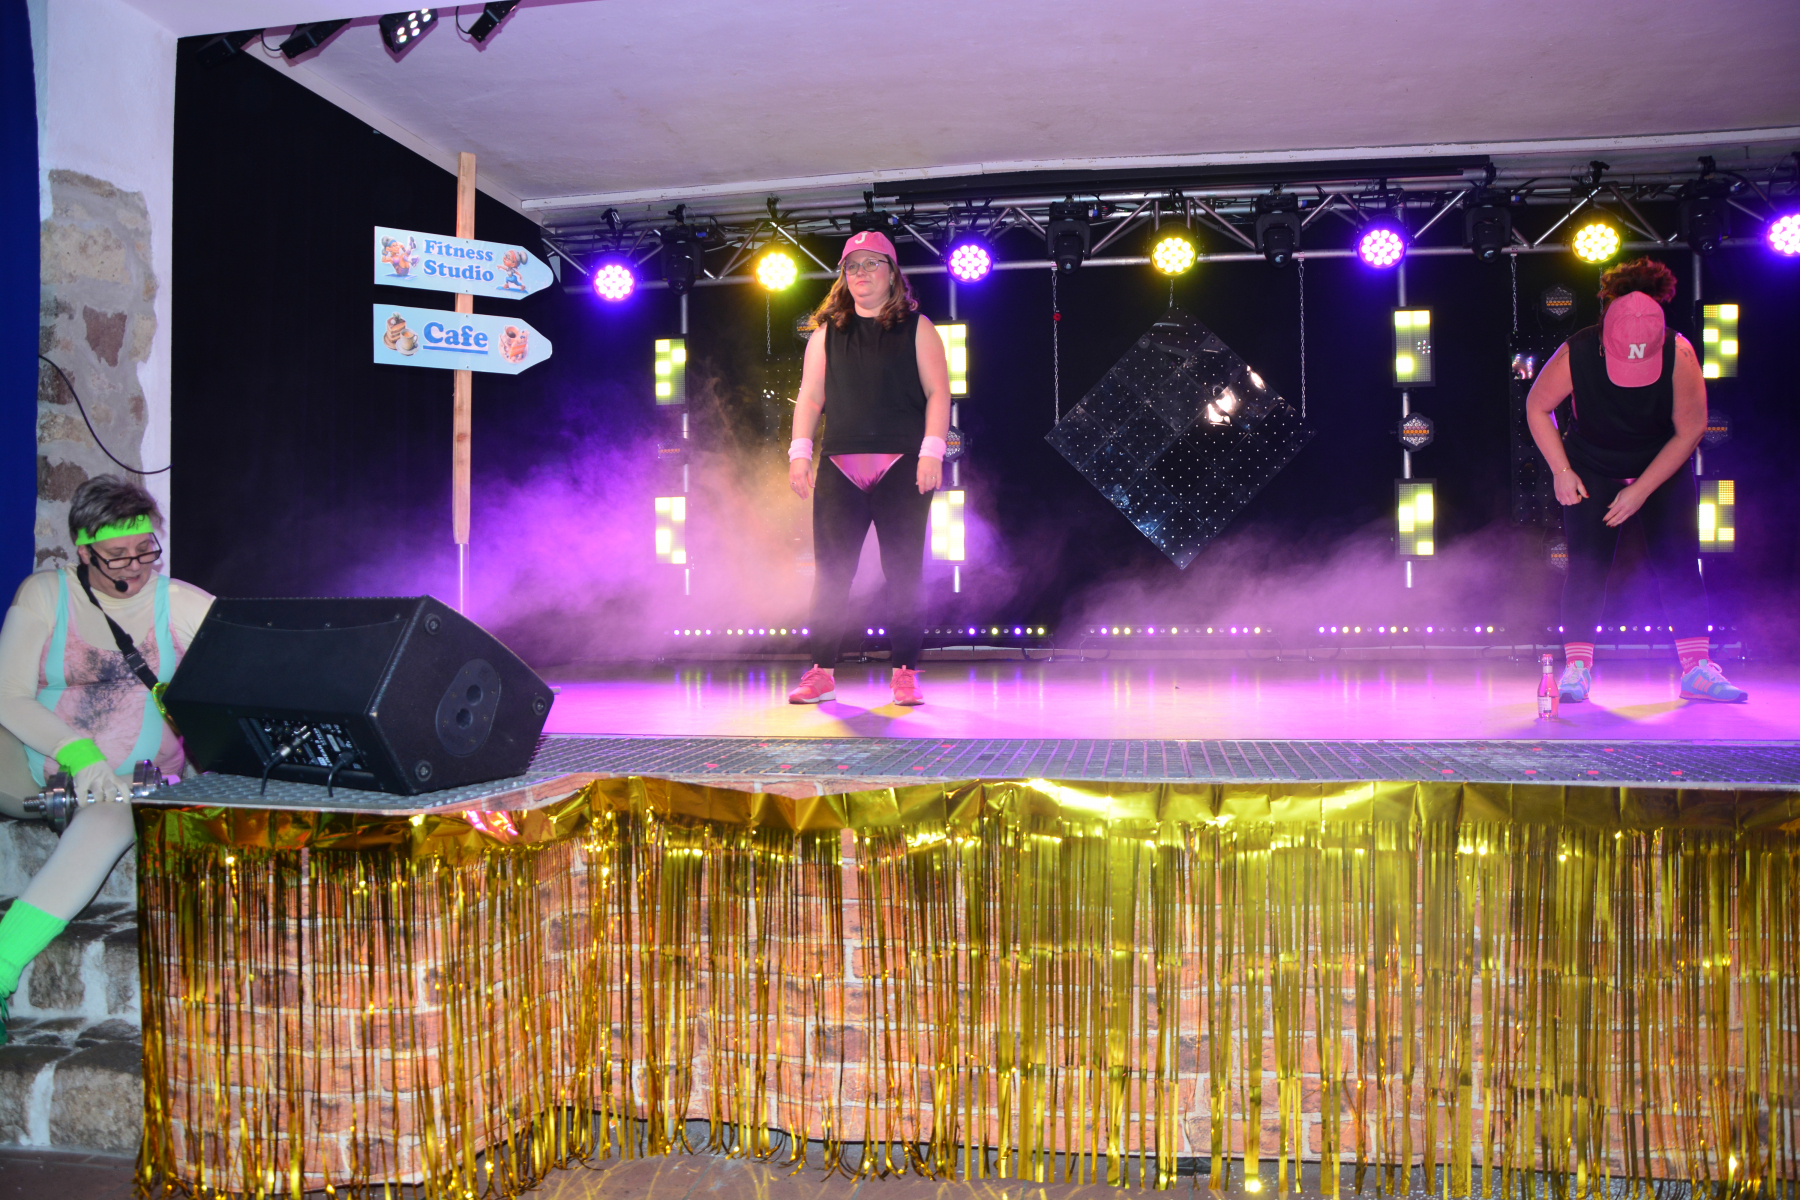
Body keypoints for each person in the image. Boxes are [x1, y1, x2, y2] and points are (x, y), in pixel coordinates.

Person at [0, 476, 215, 1042]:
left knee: (112, 817)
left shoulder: (181, 602)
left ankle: (0, 965)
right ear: (84, 550)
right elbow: (8, 694)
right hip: (39, 763)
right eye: (118, 554)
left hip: (131, 782)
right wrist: (79, 753)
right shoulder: (44, 593)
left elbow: (252, 671)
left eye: (146, 549)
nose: (136, 566)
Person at [1525, 257, 1745, 705]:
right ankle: (1577, 669)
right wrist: (1562, 470)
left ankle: (1696, 670)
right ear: (1606, 334)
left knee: (1679, 563)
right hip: (1591, 463)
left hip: (1659, 463)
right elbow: (1536, 407)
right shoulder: (1576, 352)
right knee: (1586, 564)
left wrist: (1641, 489)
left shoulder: (1679, 353)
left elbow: (1690, 430)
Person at [786, 231, 952, 707]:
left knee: (903, 573)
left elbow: (938, 392)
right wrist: (799, 452)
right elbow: (810, 397)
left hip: (902, 464)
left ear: (892, 273)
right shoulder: (825, 334)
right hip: (840, 465)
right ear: (843, 277)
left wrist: (932, 450)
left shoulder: (918, 328)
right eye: (852, 266)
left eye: (872, 263)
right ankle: (821, 672)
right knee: (831, 575)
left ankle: (905, 672)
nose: (861, 273)